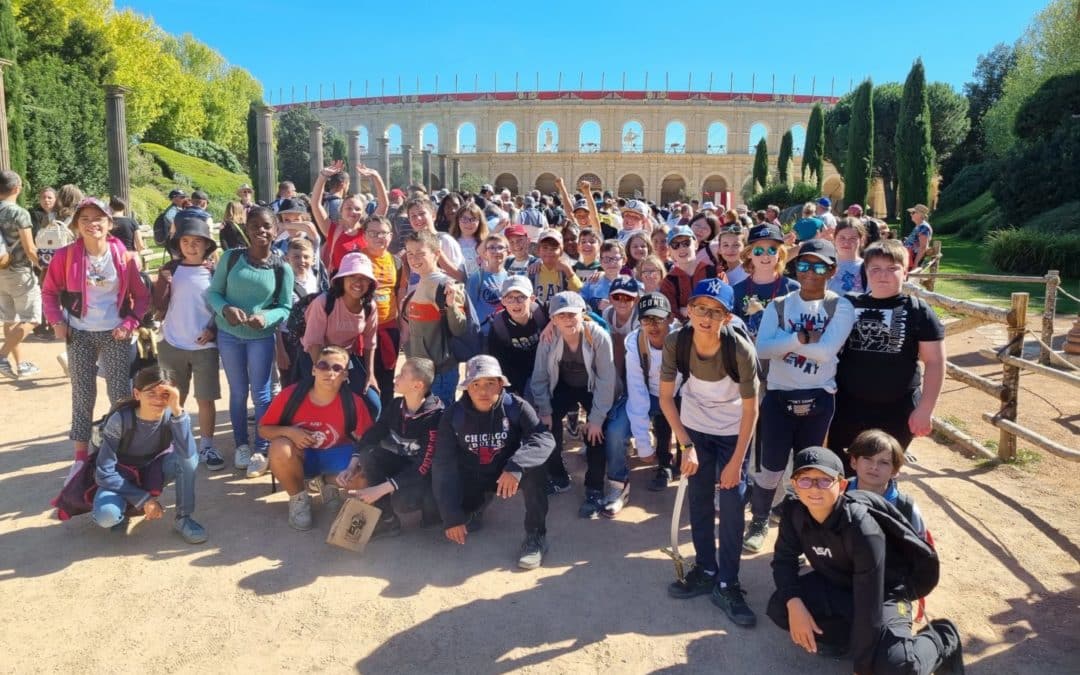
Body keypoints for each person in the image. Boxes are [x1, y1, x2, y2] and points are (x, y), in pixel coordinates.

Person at [767, 447, 963, 675]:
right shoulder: (794, 510)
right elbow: (783, 559)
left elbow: (869, 603)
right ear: (794, 484)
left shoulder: (861, 527)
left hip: (884, 594)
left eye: (823, 481)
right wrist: (794, 603)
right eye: (805, 481)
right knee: (781, 608)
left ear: (841, 486)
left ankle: (942, 636)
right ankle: (848, 641)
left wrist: (862, 668)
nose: (813, 489)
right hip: (838, 584)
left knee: (896, 667)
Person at [743, 240, 856, 553]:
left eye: (819, 266)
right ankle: (760, 519)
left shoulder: (839, 306)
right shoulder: (779, 305)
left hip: (818, 397)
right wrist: (800, 337)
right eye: (804, 265)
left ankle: (805, 528)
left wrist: (785, 343)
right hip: (779, 395)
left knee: (807, 467)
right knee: (770, 466)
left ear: (832, 270)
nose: (810, 272)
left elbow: (826, 351)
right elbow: (761, 350)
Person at [660, 278, 759, 627]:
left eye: (716, 312)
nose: (706, 316)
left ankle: (728, 582)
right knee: (699, 498)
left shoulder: (740, 349)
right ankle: (705, 567)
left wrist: (735, 464)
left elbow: (751, 410)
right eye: (700, 308)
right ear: (689, 310)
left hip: (733, 430)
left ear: (727, 318)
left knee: (732, 506)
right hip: (695, 427)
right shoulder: (677, 341)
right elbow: (665, 398)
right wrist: (686, 446)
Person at [43, 197, 149, 474]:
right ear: (77, 225)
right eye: (85, 219)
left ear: (109, 223)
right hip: (79, 333)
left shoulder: (124, 257)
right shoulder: (64, 256)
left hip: (115, 333)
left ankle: (122, 450)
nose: (92, 224)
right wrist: (56, 321)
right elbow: (50, 292)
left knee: (120, 395)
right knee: (82, 394)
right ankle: (79, 460)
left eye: (98, 218)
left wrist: (129, 323)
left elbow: (141, 297)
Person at [432, 355, 555, 569]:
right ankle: (476, 506)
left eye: (490, 383)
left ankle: (536, 537)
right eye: (476, 384)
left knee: (535, 469)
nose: (483, 391)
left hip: (505, 472)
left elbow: (543, 438)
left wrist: (516, 466)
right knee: (444, 515)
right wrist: (451, 516)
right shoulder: (453, 415)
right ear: (467, 387)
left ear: (501, 384)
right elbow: (443, 465)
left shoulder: (516, 406)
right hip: (472, 474)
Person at [829, 239, 945, 467]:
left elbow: (935, 362)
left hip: (897, 409)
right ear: (866, 273)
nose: (884, 275)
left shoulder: (918, 311)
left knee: (880, 471)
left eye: (892, 268)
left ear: (906, 272)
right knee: (843, 470)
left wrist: (925, 408)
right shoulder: (847, 304)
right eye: (876, 269)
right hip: (847, 406)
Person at [207, 206, 294, 478]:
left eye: (267, 226)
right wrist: (225, 310)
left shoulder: (282, 268)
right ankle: (241, 445)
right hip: (229, 335)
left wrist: (267, 317)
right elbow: (214, 293)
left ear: (276, 230)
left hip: (261, 337)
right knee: (237, 391)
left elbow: (285, 306)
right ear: (246, 229)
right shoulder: (231, 259)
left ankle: (262, 447)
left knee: (262, 393)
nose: (261, 231)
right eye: (255, 226)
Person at [84, 365, 207, 543]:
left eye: (165, 394)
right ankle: (126, 506)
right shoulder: (121, 419)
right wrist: (144, 500)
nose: (158, 399)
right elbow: (104, 472)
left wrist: (177, 410)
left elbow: (188, 456)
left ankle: (184, 518)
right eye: (151, 393)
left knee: (188, 460)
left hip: (152, 471)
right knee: (107, 516)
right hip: (119, 475)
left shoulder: (172, 416)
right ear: (137, 394)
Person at [262, 346, 374, 530]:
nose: (329, 372)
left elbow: (366, 442)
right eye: (323, 366)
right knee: (279, 447)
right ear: (314, 369)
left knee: (366, 470)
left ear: (345, 375)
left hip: (337, 457)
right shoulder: (291, 395)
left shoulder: (354, 402)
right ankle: (298, 498)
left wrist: (355, 466)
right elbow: (264, 430)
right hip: (303, 457)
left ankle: (325, 482)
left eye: (337, 368)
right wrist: (290, 432)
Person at [530, 291, 617, 516]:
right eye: (561, 315)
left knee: (597, 433)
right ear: (553, 319)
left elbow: (607, 380)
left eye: (572, 314)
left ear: (583, 313)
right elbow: (539, 377)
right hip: (564, 385)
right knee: (547, 427)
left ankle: (594, 488)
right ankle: (559, 476)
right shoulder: (549, 338)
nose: (568, 320)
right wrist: (545, 410)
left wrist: (596, 419)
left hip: (592, 386)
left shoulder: (597, 336)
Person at [339, 356, 444, 537]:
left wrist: (379, 490)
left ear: (417, 385)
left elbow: (423, 466)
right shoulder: (397, 405)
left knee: (404, 501)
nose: (395, 379)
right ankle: (388, 521)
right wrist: (351, 464)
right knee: (369, 455)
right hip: (407, 467)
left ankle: (435, 511)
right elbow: (372, 435)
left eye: (402, 375)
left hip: (430, 477)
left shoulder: (435, 417)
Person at [151, 210, 224, 471]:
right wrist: (161, 282)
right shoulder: (170, 270)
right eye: (185, 241)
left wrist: (213, 329)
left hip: (204, 344)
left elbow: (221, 306)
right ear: (178, 244)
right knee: (173, 398)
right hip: (172, 342)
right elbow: (157, 306)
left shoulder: (214, 272)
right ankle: (176, 445)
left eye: (197, 241)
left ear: (206, 245)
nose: (191, 246)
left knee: (206, 398)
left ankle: (206, 444)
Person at [298, 251, 381, 419]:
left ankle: (363, 441)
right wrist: (325, 374)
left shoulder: (369, 306)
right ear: (342, 279)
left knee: (372, 404)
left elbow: (370, 343)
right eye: (352, 276)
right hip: (315, 358)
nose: (358, 282)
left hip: (345, 358)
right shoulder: (324, 303)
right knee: (322, 401)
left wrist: (370, 375)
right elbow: (313, 342)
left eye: (364, 278)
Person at [625, 292, 682, 491]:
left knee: (685, 421)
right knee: (662, 424)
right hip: (652, 394)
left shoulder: (683, 339)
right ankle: (664, 464)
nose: (653, 325)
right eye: (646, 319)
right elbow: (637, 394)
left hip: (682, 392)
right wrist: (643, 445)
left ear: (671, 318)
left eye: (658, 318)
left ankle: (683, 463)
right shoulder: (636, 345)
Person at [402, 230, 467, 404]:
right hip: (422, 373)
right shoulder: (420, 283)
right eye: (410, 254)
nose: (415, 259)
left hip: (440, 374)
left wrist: (452, 304)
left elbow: (459, 328)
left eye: (421, 253)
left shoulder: (446, 286)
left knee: (440, 426)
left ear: (436, 254)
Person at [846, 429, 927, 538]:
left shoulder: (906, 509)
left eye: (884, 462)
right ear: (854, 462)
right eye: (867, 458)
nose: (874, 467)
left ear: (895, 470)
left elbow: (920, 550)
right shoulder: (836, 494)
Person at [0, 170, 41, 379]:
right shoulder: (19, 213)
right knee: (32, 319)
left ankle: (18, 364)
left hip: (0, 273)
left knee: (10, 319)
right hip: (19, 273)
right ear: (17, 188)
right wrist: (44, 267)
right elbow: (30, 249)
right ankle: (2, 356)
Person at [359, 215, 401, 411]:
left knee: (387, 380)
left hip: (389, 328)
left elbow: (399, 292)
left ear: (390, 236)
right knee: (363, 380)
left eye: (383, 233)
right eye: (373, 233)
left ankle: (386, 423)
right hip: (362, 330)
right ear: (365, 236)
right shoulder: (357, 259)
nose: (378, 237)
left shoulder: (397, 261)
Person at [732, 224, 800, 340]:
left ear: (780, 254)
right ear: (749, 254)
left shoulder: (793, 288)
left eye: (772, 250)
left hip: (782, 353)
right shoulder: (737, 290)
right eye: (758, 251)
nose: (765, 256)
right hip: (749, 354)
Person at [487, 275, 548, 397]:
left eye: (521, 297)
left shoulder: (543, 311)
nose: (516, 303)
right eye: (510, 298)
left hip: (547, 366)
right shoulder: (499, 325)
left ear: (532, 298)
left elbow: (577, 308)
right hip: (518, 371)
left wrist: (552, 323)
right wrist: (512, 387)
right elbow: (499, 362)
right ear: (503, 301)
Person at [660, 225, 724, 321]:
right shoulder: (669, 282)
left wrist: (689, 311)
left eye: (686, 243)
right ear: (670, 251)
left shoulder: (715, 272)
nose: (681, 248)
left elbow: (724, 304)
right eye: (675, 245)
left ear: (696, 244)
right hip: (684, 332)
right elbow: (671, 315)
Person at [466, 233, 509, 330]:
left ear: (507, 252)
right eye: (492, 248)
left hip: (504, 332)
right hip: (482, 333)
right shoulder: (477, 278)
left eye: (500, 247)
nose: (496, 251)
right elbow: (468, 309)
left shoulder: (510, 278)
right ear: (485, 253)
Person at [530, 228, 582, 307]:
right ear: (538, 250)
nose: (549, 252)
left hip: (561, 313)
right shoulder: (533, 270)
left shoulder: (568, 268)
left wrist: (569, 272)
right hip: (538, 313)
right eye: (545, 248)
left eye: (554, 248)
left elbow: (580, 291)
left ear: (561, 251)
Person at [580, 239, 625, 313]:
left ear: (624, 260)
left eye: (615, 259)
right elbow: (580, 303)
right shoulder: (591, 282)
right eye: (606, 259)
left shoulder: (630, 285)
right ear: (600, 261)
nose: (611, 263)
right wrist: (595, 304)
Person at [829, 217, 866, 295]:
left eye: (852, 238)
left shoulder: (867, 267)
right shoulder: (824, 263)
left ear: (862, 240)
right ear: (834, 238)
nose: (846, 243)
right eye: (842, 238)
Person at [450, 201, 489, 275]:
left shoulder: (485, 242)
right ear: (458, 220)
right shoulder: (450, 242)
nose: (468, 223)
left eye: (473, 219)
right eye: (464, 219)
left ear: (480, 222)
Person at [903, 204, 933, 269]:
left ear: (920, 215)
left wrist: (915, 264)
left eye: (913, 212)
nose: (911, 214)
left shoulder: (923, 227)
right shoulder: (919, 226)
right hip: (909, 256)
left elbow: (923, 247)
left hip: (913, 258)